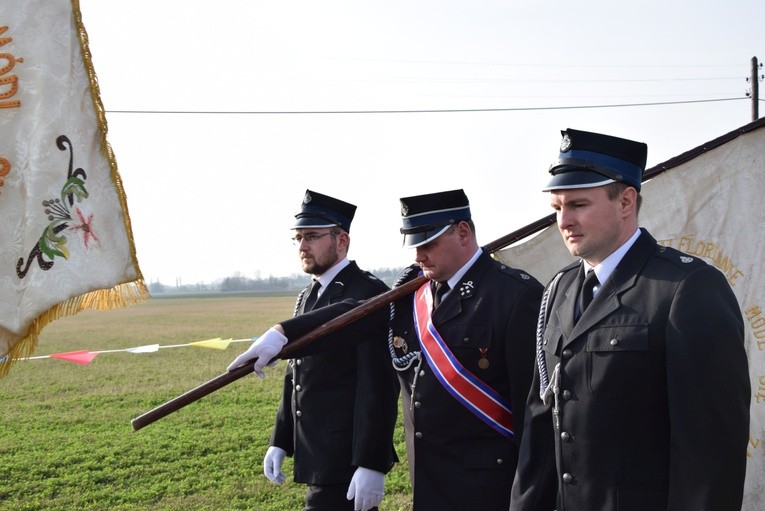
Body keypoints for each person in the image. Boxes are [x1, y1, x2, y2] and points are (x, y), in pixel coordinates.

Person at [234, 189, 543, 510]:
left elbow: (533, 414)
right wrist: (282, 334)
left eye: (428, 243)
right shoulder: (416, 288)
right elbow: (357, 313)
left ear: (463, 233)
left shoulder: (514, 296)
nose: (418, 255)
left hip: (491, 484)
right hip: (428, 478)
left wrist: (530, 499)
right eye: (414, 245)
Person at [509, 129, 751, 510]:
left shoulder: (685, 289)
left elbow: (710, 454)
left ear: (625, 201)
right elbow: (540, 433)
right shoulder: (559, 289)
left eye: (578, 204)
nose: (564, 220)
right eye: (557, 207)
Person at [229, 190, 399, 511]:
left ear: (342, 240)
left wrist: (371, 462)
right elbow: (296, 372)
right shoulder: (308, 295)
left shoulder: (369, 292)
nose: (303, 246)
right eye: (298, 238)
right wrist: (281, 439)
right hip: (316, 450)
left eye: (312, 237)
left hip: (345, 457)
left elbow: (377, 386)